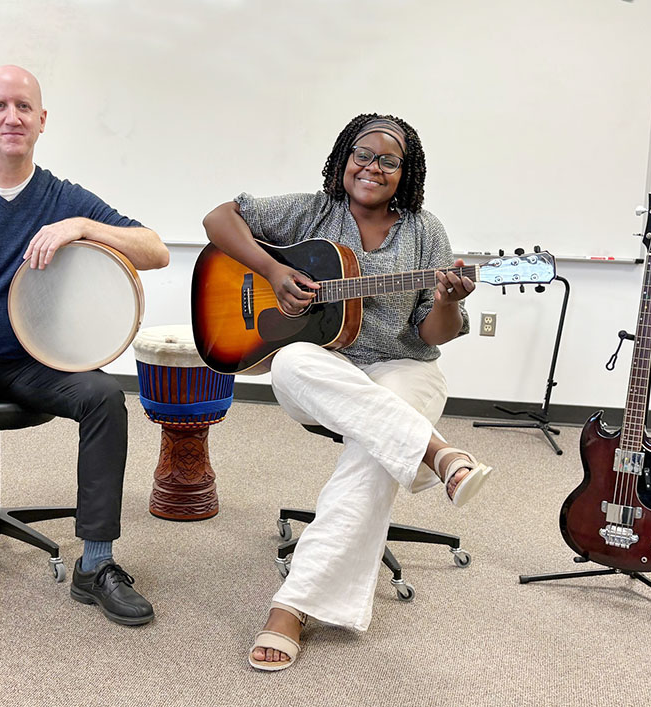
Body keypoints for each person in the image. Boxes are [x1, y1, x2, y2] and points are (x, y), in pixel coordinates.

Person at [0, 65, 170, 671]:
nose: (11, 116)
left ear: (42, 120)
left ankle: (94, 564)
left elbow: (156, 249)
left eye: (24, 106)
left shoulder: (62, 196)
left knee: (103, 399)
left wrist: (82, 226)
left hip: (37, 359)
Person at [201, 113, 492, 672]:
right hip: (324, 372)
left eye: (389, 160)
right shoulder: (313, 210)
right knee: (288, 363)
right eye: (364, 154)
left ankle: (291, 607)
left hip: (402, 367)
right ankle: (435, 451)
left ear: (405, 174)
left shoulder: (426, 232)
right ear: (343, 158)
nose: (373, 167)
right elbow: (219, 218)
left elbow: (434, 332)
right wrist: (272, 271)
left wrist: (451, 299)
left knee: (376, 451)